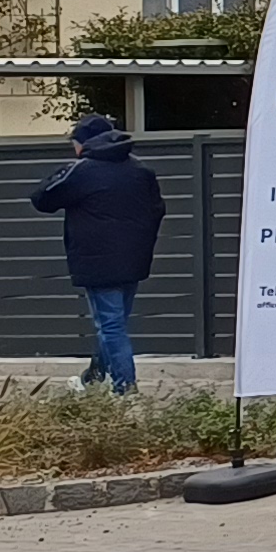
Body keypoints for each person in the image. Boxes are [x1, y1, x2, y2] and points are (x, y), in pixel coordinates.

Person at [31, 114, 165, 395]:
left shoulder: (82, 171)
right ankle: (93, 378)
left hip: (98, 262)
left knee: (111, 326)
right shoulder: (142, 170)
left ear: (84, 143)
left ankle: (125, 389)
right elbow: (158, 210)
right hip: (135, 260)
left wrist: (67, 170)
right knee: (114, 323)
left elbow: (42, 199)